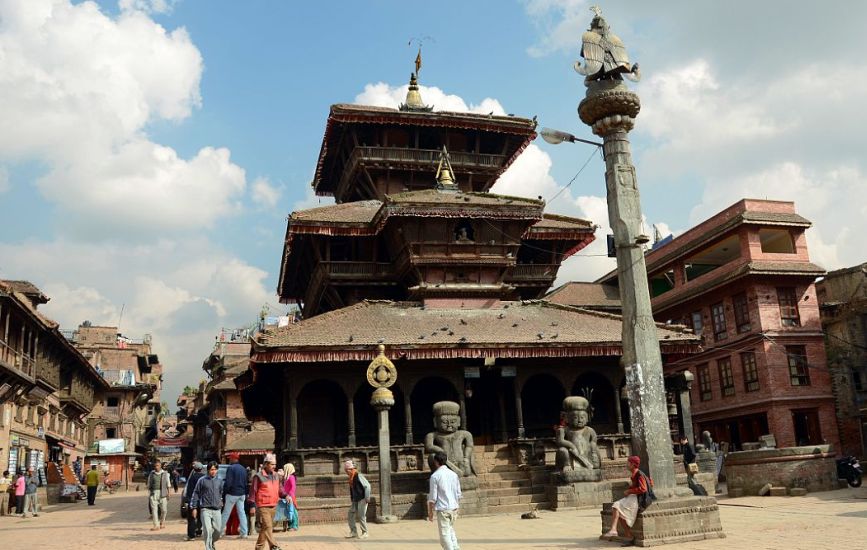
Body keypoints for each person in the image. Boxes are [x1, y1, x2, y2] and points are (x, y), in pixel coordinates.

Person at [600, 456, 650, 545]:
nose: (627, 464)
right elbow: (650, 482)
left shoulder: (639, 474)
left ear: (633, 464)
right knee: (619, 511)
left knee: (616, 505)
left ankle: (614, 529)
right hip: (633, 497)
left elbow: (643, 489)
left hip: (638, 499)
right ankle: (628, 536)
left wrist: (630, 490)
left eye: (628, 463)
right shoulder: (636, 474)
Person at [427, 451, 462, 550]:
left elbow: (433, 498)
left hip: (443, 509)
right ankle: (456, 548)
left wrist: (430, 513)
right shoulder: (454, 474)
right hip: (454, 508)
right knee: (450, 530)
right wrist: (456, 506)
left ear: (436, 462)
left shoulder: (435, 476)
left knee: (444, 535)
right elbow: (458, 493)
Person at [252, 454, 282, 550]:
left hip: (273, 505)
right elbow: (253, 491)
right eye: (272, 464)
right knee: (268, 526)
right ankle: (274, 546)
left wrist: (287, 495)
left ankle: (259, 547)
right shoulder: (258, 476)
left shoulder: (276, 475)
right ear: (266, 464)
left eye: (275, 464)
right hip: (263, 505)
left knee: (265, 528)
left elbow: (280, 489)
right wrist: (252, 505)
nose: (274, 466)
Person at [190, 462, 224, 550]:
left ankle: (211, 541)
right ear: (208, 470)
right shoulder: (202, 480)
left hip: (217, 509)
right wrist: (194, 507)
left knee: (218, 531)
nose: (213, 471)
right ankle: (209, 548)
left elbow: (221, 493)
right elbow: (196, 493)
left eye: (215, 469)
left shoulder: (220, 481)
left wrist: (221, 502)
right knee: (207, 531)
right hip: (205, 509)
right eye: (212, 469)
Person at [220, 452, 249, 539]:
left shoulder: (231, 468)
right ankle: (244, 533)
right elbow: (246, 483)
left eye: (230, 458)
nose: (229, 460)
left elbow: (228, 483)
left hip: (232, 494)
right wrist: (245, 493)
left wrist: (225, 493)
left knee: (226, 513)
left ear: (233, 459)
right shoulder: (243, 469)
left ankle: (219, 532)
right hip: (242, 494)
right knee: (242, 513)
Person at [344, 459, 371, 539]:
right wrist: (352, 498)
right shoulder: (351, 477)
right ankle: (353, 532)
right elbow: (352, 489)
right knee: (350, 513)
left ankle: (365, 532)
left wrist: (367, 497)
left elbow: (367, 486)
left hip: (362, 498)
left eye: (347, 470)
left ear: (351, 469)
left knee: (361, 515)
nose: (346, 472)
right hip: (356, 499)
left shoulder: (358, 475)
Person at [147, 459, 171, 530]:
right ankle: (156, 525)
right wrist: (149, 494)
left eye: (157, 465)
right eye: (155, 466)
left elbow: (168, 484)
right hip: (154, 493)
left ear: (160, 466)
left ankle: (162, 522)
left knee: (164, 510)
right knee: (154, 510)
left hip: (163, 493)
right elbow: (149, 484)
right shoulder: (151, 474)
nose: (156, 467)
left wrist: (169, 493)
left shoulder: (165, 474)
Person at [184, 462, 205, 541]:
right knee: (200, 517)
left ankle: (191, 535)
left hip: (194, 500)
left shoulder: (192, 478)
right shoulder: (204, 477)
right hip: (202, 501)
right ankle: (199, 531)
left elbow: (189, 491)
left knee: (192, 518)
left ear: (194, 469)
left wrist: (188, 501)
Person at [281, 463, 298, 532]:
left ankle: (294, 526)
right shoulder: (287, 477)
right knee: (289, 511)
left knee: (293, 511)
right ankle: (290, 525)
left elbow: (293, 487)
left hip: (290, 497)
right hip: (287, 497)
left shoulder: (291, 477)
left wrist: (290, 496)